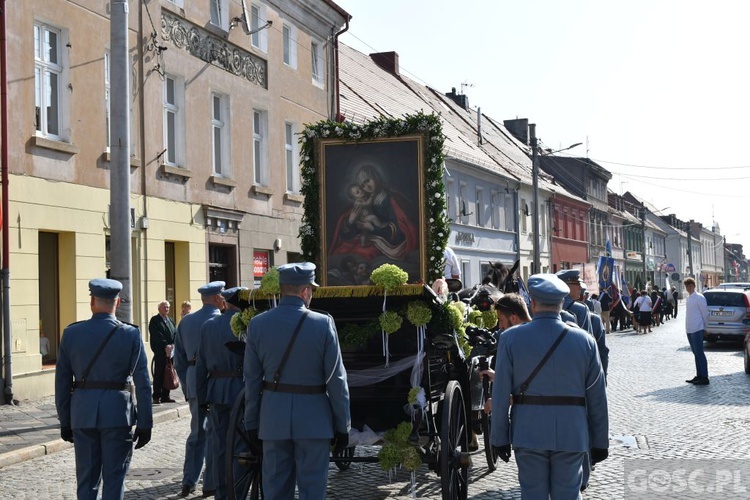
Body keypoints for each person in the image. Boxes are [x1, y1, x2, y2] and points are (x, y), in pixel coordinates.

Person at [490, 274, 609, 498]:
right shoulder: (585, 341)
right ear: (562, 304)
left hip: (528, 431)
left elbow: (500, 392)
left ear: (532, 304)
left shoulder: (510, 339)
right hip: (571, 433)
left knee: (533, 494)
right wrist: (600, 441)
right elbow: (597, 396)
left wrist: (499, 437)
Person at [244, 262, 350, 500]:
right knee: (313, 491)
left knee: (275, 492)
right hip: (314, 421)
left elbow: (250, 381)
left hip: (273, 421)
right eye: (311, 290)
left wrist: (251, 422)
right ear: (305, 292)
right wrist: (342, 425)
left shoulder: (257, 324)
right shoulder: (323, 324)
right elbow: (336, 379)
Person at [55, 278, 153, 500]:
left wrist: (65, 420)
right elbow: (144, 383)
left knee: (87, 481)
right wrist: (145, 422)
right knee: (115, 478)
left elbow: (61, 382)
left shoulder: (72, 333)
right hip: (118, 414)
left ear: (92, 301)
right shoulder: (130, 334)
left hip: (82, 413)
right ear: (117, 303)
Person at [174, 281, 225, 498]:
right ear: (217, 298)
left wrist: (188, 385)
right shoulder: (221, 321)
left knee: (196, 432)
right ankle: (210, 483)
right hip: (216, 379)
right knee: (215, 432)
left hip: (195, 378)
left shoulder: (186, 322)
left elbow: (178, 360)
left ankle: (188, 480)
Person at [195, 287, 246, 500]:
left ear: (224, 302)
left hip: (216, 391)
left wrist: (201, 396)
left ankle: (222, 494)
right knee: (241, 446)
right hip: (240, 390)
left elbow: (201, 365)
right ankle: (238, 492)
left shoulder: (209, 326)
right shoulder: (246, 324)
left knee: (219, 446)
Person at [329, 164, 419, 262]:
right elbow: (347, 233)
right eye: (362, 185)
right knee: (343, 251)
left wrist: (373, 228)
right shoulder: (364, 199)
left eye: (368, 180)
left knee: (363, 254)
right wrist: (351, 221)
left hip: (387, 241)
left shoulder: (391, 199)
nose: (366, 187)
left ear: (375, 177)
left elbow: (399, 230)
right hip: (370, 238)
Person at [149, 300, 177, 405]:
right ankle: (156, 396)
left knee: (169, 373)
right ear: (159, 308)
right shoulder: (155, 320)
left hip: (171, 351)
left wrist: (173, 344)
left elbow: (175, 333)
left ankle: (166, 395)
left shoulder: (171, 320)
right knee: (159, 373)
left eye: (168, 307)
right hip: (161, 351)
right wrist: (166, 345)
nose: (167, 309)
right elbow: (157, 335)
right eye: (164, 307)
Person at [684, 277, 710, 385]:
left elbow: (705, 313)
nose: (688, 288)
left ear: (694, 286)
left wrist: (705, 327)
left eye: (690, 286)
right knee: (695, 353)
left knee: (700, 353)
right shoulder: (688, 298)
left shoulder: (699, 297)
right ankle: (699, 375)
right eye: (687, 286)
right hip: (690, 329)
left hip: (698, 328)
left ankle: (704, 376)